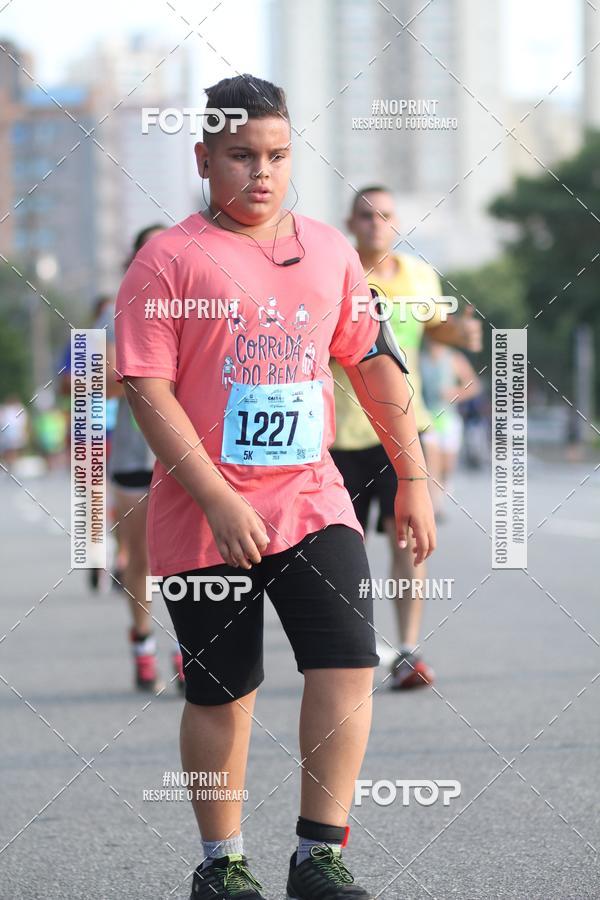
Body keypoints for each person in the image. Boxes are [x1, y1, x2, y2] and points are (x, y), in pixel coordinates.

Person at [115, 75, 435, 900]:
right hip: (203, 514)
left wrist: (413, 476)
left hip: (311, 499)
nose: (262, 173)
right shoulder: (166, 260)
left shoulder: (329, 251)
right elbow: (146, 390)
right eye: (241, 156)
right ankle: (221, 863)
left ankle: (316, 855)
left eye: (278, 155)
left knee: (348, 661)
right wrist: (218, 499)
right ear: (203, 159)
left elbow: (374, 365)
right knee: (223, 693)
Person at [330, 186, 482, 690]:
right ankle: (349, 649)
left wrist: (458, 335)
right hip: (340, 435)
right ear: (351, 223)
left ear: (396, 223)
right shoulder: (336, 272)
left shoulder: (420, 275)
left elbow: (435, 329)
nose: (376, 223)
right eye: (365, 215)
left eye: (385, 215)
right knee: (342, 548)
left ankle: (408, 650)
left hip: (402, 429)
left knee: (408, 539)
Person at [102, 224, 185, 693]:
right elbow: (98, 380)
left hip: (189, 450)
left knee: (189, 558)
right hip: (137, 453)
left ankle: (187, 647)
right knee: (141, 557)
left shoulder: (200, 304)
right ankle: (142, 640)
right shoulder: (117, 311)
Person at [420, 340, 481, 519]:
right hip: (427, 419)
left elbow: (473, 385)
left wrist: (454, 392)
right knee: (432, 465)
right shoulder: (419, 358)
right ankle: (435, 507)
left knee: (447, 467)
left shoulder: (454, 358)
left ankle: (442, 491)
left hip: (448, 419)